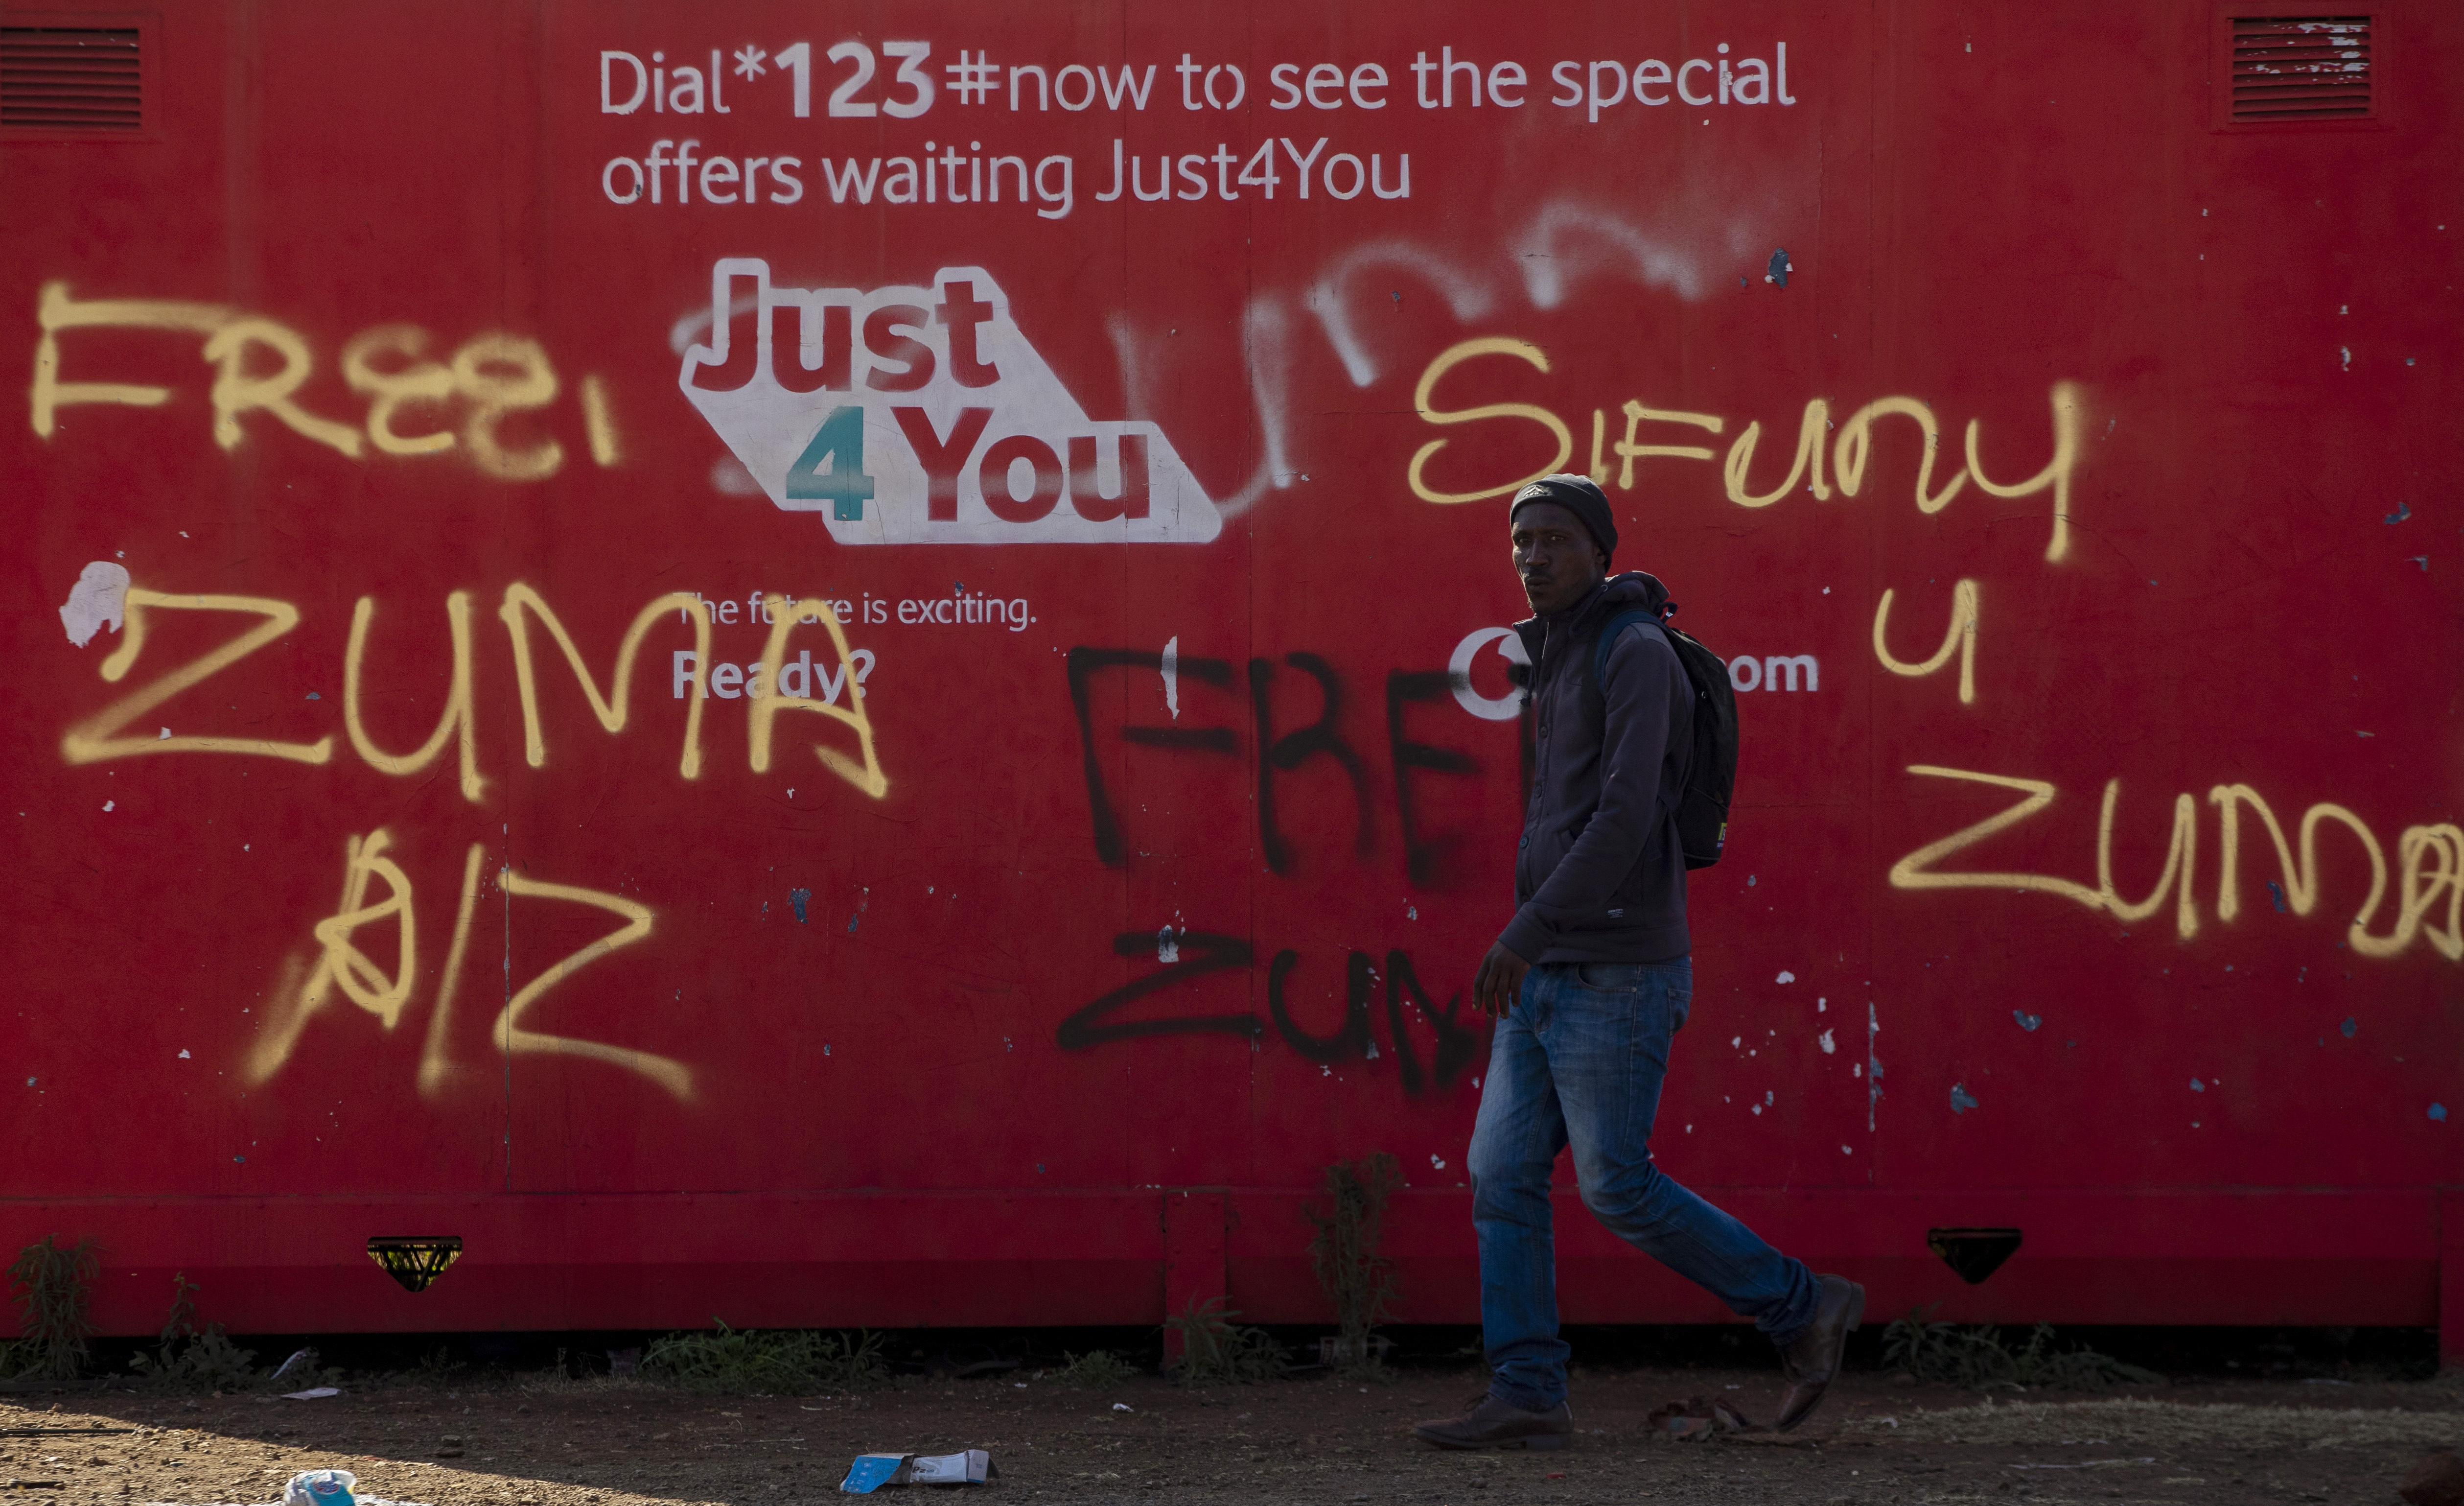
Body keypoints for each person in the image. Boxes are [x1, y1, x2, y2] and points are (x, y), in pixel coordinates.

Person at [1413, 474, 1864, 1451]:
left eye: (1555, 539)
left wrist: (1525, 930)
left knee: (1616, 1183)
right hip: (1549, 969)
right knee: (1501, 1174)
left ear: (1601, 550)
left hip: (1614, 970)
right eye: (1521, 539)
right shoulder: (1563, 652)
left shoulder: (1636, 652)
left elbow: (1626, 818)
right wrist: (1535, 942)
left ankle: (1802, 1302)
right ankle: (1529, 1389)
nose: (1533, 556)